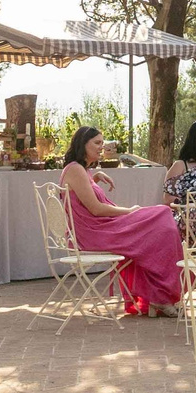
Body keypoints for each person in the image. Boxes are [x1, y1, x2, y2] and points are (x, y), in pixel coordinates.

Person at [60, 126, 182, 317]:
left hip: (96, 229)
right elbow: (96, 209)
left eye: (102, 143)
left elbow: (81, 198)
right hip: (93, 233)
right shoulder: (75, 169)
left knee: (158, 227)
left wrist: (94, 178)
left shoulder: (81, 170)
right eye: (97, 143)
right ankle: (168, 287)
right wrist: (129, 211)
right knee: (162, 214)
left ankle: (161, 293)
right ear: (82, 144)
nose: (102, 147)